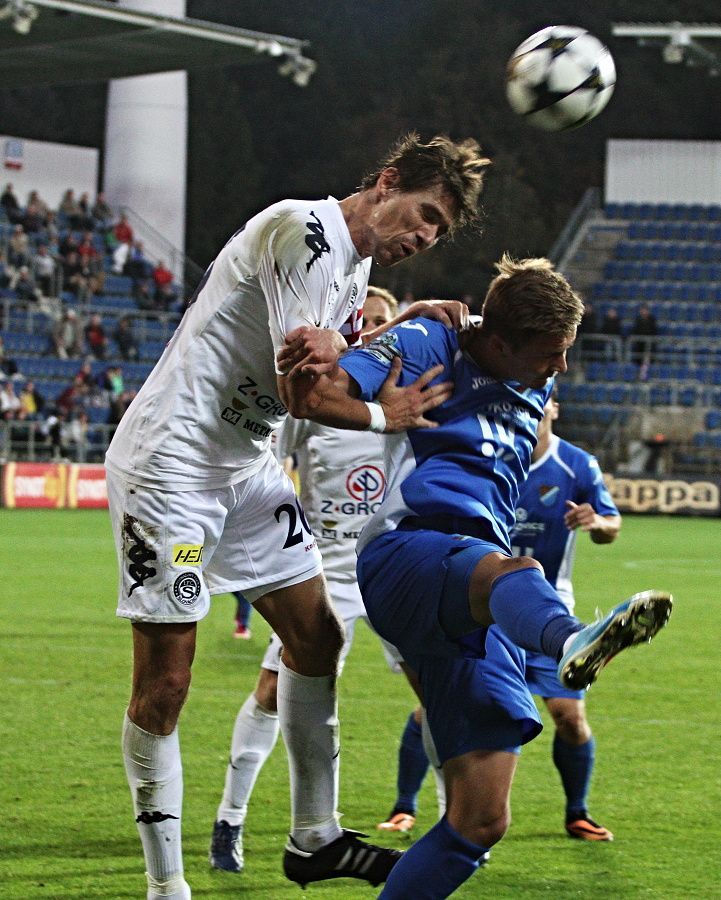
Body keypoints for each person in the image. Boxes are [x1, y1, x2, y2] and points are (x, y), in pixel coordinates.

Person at [104, 132, 491, 899]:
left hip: (245, 469)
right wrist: (389, 416)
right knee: (167, 682)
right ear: (385, 183)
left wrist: (397, 320)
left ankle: (313, 839)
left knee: (317, 636)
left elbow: (329, 357)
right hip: (172, 469)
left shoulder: (355, 264)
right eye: (421, 215)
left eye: (437, 232)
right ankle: (165, 886)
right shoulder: (303, 231)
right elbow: (305, 396)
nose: (422, 236)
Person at [313, 254, 672, 899]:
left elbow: (492, 332)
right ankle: (569, 642)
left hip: (481, 596)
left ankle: (562, 641)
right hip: (407, 551)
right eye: (550, 353)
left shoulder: (522, 372)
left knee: (479, 820)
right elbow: (319, 388)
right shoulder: (425, 343)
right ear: (503, 343)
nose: (559, 368)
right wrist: (379, 403)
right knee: (511, 571)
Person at [208, 286, 416, 875]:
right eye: (366, 322)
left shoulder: (412, 400)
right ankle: (230, 819)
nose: (376, 331)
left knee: (437, 696)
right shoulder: (320, 406)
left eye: (386, 323)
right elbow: (269, 455)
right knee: (272, 692)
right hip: (324, 574)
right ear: (351, 329)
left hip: (392, 569)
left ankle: (455, 831)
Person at [379, 390, 622, 844]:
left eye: (544, 404)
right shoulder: (489, 456)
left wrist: (597, 523)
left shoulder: (577, 465)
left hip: (549, 606)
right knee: (434, 707)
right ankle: (403, 806)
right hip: (482, 607)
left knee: (570, 717)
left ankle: (577, 812)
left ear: (553, 408)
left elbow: (611, 526)